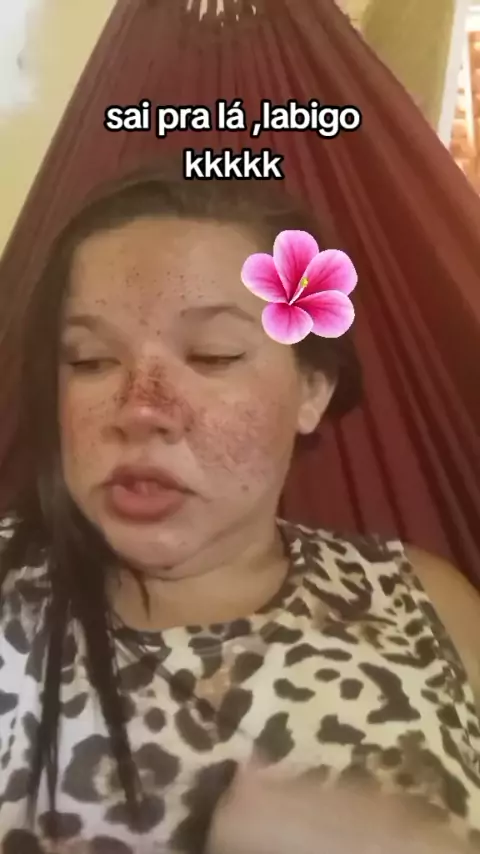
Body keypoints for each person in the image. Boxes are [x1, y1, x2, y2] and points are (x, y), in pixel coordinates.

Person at [0, 164, 479, 854]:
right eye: (91, 360)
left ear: (312, 389)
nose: (141, 408)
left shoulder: (426, 602)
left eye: (213, 355)